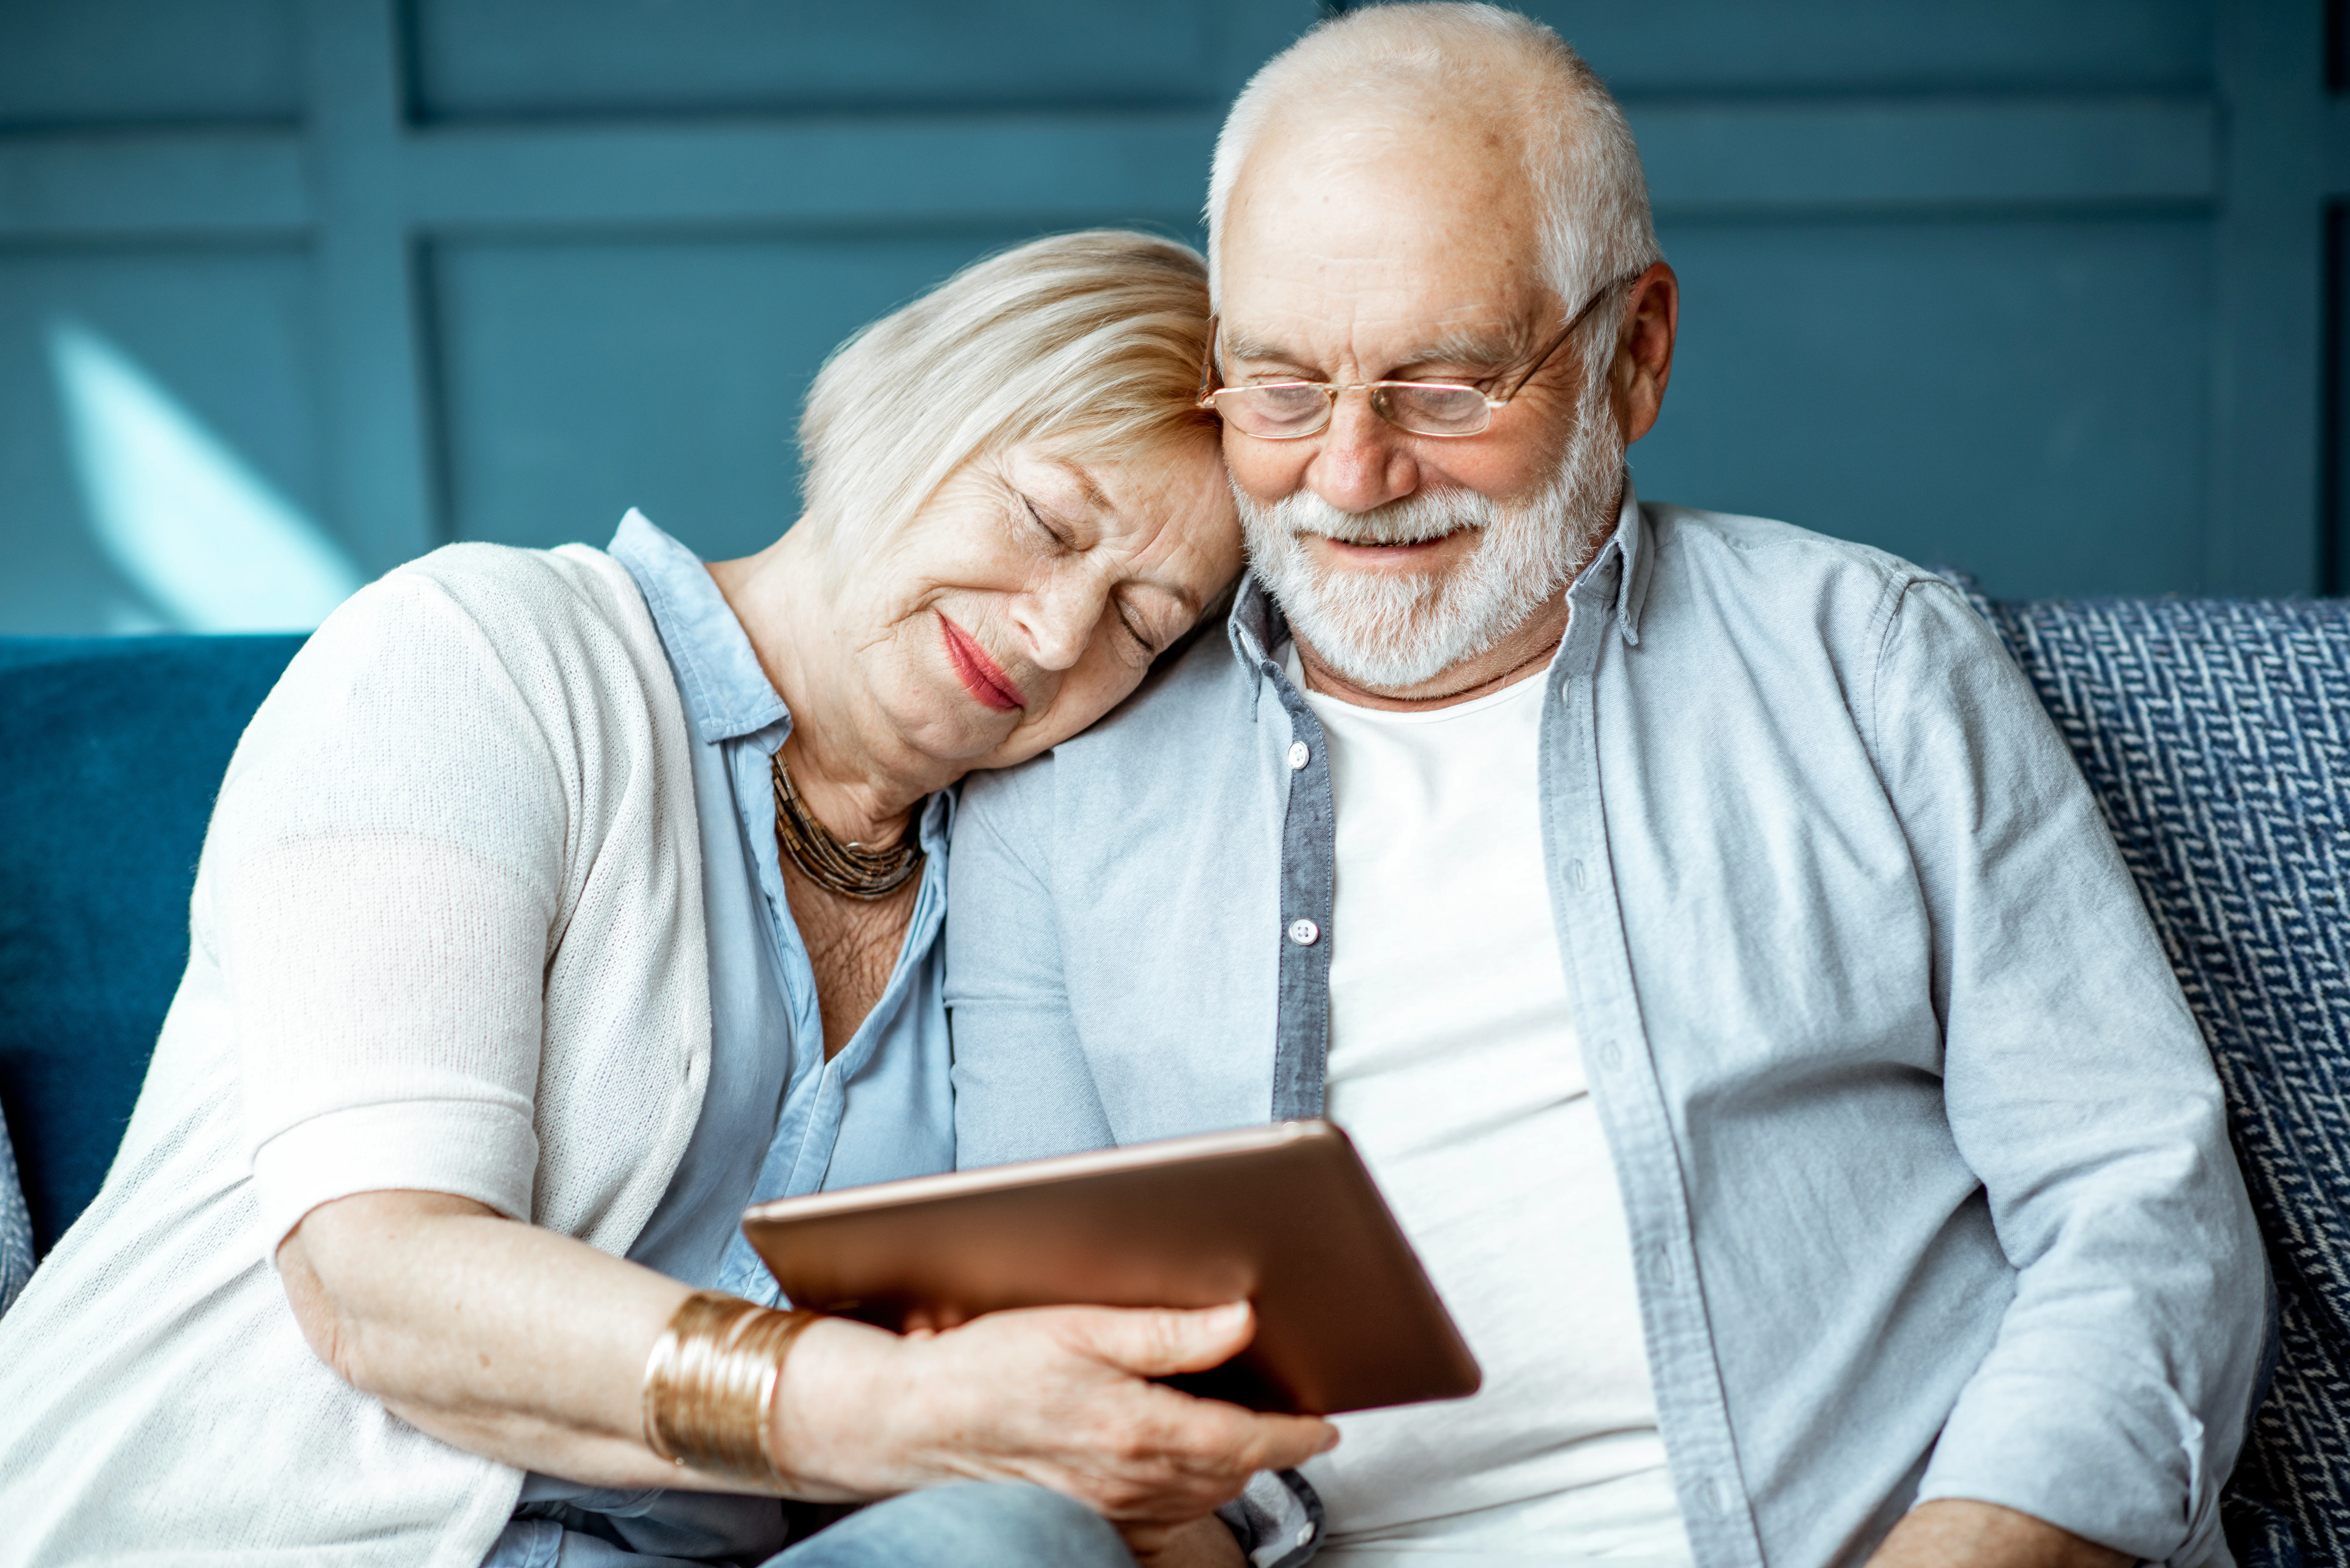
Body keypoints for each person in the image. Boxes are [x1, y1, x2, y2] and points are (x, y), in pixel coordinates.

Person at [945, 10, 2268, 1568]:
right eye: (1283, 390)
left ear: (1632, 355)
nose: (1353, 475)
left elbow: (2139, 1204)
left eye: (1445, 387)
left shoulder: (1870, 659)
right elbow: (1052, 1378)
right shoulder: (1064, 792)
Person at [0, 230, 1335, 1568]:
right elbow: (375, 1284)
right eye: (1043, 522)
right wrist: (884, 1409)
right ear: (906, 408)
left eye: (1141, 626)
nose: (1055, 636)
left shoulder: (1008, 908)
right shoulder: (482, 649)